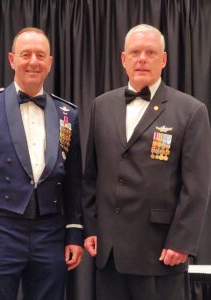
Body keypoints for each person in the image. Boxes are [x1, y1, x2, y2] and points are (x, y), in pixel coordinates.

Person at [82, 24, 211, 300]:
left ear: (163, 59)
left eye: (150, 52)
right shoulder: (101, 106)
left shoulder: (191, 111)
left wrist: (182, 241)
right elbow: (92, 176)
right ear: (123, 59)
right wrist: (91, 228)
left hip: (160, 251)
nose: (142, 58)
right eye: (135, 52)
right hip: (109, 252)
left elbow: (196, 187)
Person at [0, 27, 83, 300]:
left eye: (40, 55)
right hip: (0, 231)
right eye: (26, 54)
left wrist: (74, 233)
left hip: (50, 233)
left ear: (50, 63)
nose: (33, 61)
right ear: (12, 60)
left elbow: (73, 180)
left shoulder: (67, 114)